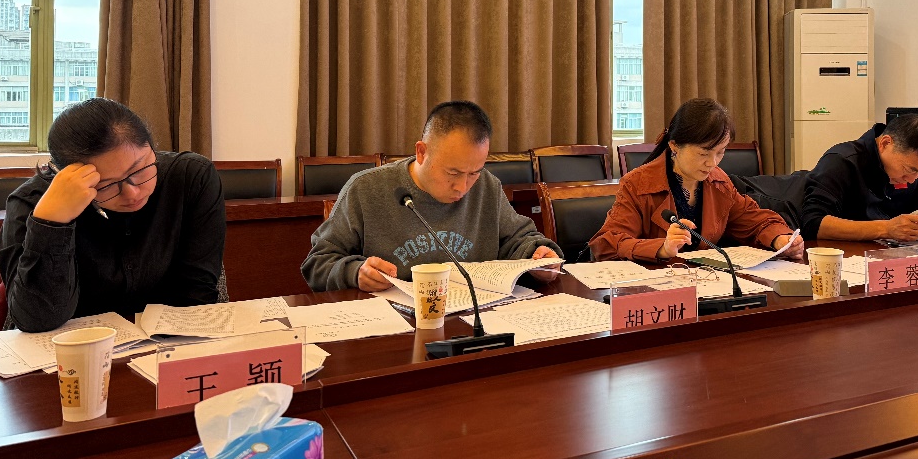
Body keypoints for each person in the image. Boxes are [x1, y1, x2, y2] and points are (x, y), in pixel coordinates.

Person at [0, 98, 226, 332]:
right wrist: (52, 223)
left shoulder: (190, 178)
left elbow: (196, 295)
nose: (132, 193)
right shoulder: (30, 203)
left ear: (151, 147)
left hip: (165, 340)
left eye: (139, 170)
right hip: (71, 345)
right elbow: (39, 321)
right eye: (105, 185)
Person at [302, 101, 562, 292]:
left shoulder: (487, 187)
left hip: (473, 317)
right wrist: (355, 273)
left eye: (474, 173)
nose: (462, 187)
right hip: (396, 325)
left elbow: (518, 240)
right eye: (453, 172)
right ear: (422, 152)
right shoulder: (366, 189)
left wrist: (539, 258)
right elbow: (317, 263)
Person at [589, 98, 802, 262]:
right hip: (654, 290)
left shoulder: (719, 183)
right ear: (674, 146)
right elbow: (606, 245)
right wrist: (662, 248)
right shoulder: (637, 184)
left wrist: (781, 239)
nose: (712, 163)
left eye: (720, 152)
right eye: (703, 153)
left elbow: (755, 221)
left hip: (706, 285)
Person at [801, 115, 918, 242]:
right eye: (909, 170)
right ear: (885, 143)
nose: (911, 180)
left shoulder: (911, 172)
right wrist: (886, 228)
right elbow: (813, 223)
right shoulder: (842, 161)